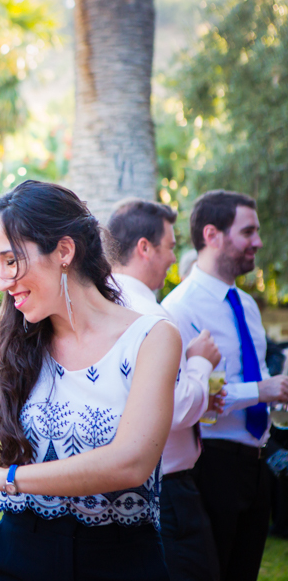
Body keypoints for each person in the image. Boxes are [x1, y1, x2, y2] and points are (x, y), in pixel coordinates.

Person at [0, 180, 181, 581]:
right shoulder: (20, 341)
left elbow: (132, 462)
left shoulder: (152, 337)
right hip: (20, 548)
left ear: (64, 251)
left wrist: (4, 478)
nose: (2, 281)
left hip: (118, 559)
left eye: (11, 261)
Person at [162, 190, 288, 581]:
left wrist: (275, 397)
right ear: (212, 234)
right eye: (248, 231)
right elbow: (180, 396)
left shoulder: (248, 306)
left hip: (256, 464)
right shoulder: (179, 309)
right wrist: (261, 391)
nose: (258, 242)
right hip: (210, 466)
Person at [108, 198, 223, 580]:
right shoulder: (151, 315)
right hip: (166, 487)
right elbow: (172, 409)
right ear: (145, 247)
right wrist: (200, 363)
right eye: (170, 246)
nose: (175, 258)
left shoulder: (100, 305)